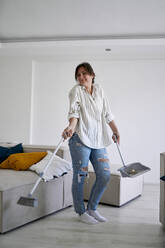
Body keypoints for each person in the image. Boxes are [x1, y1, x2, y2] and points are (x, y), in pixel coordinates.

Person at [62, 62, 120, 225]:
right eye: (78, 75)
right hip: (80, 138)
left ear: (92, 75)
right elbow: (74, 112)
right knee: (80, 175)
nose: (81, 77)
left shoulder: (100, 90)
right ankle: (80, 212)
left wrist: (115, 130)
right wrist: (71, 127)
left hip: (98, 139)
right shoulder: (75, 91)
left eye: (84, 73)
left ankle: (92, 208)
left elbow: (107, 113)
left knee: (104, 174)